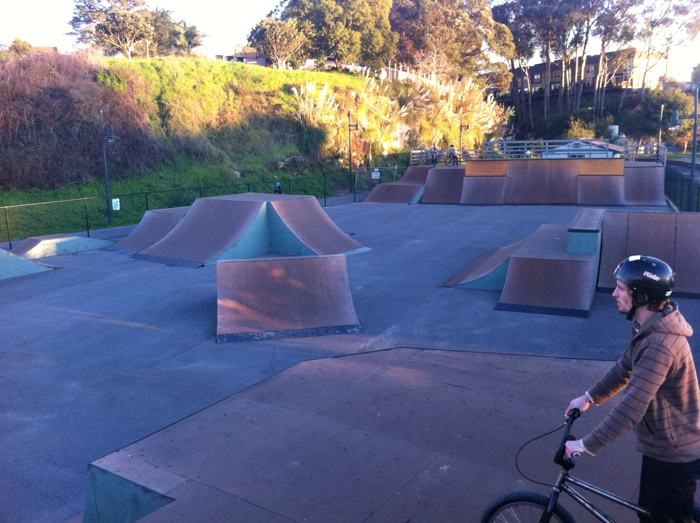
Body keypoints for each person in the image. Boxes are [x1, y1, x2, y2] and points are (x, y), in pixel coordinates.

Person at [565, 255, 700, 523]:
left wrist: (585, 445)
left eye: (621, 288)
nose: (614, 294)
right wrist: (588, 397)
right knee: (652, 513)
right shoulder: (650, 327)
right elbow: (624, 367)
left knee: (665, 516)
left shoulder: (660, 344)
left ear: (641, 296)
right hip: (660, 446)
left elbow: (631, 408)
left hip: (674, 454)